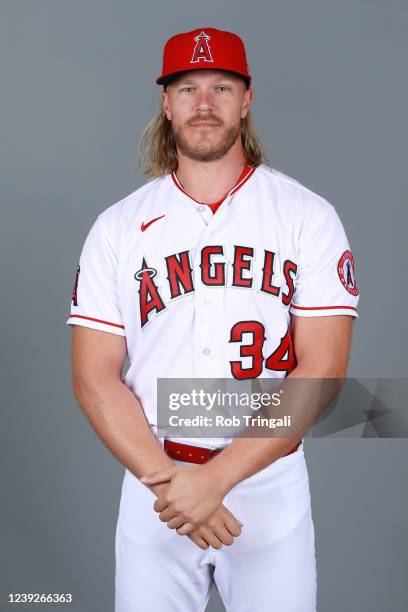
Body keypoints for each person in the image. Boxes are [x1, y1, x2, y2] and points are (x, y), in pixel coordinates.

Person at [67, 27, 359, 612]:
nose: (204, 104)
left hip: (266, 482)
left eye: (221, 88)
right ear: (166, 103)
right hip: (156, 484)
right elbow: (94, 376)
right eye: (188, 88)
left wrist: (215, 479)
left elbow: (322, 368)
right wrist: (176, 486)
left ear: (246, 100)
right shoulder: (118, 228)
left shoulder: (308, 217)